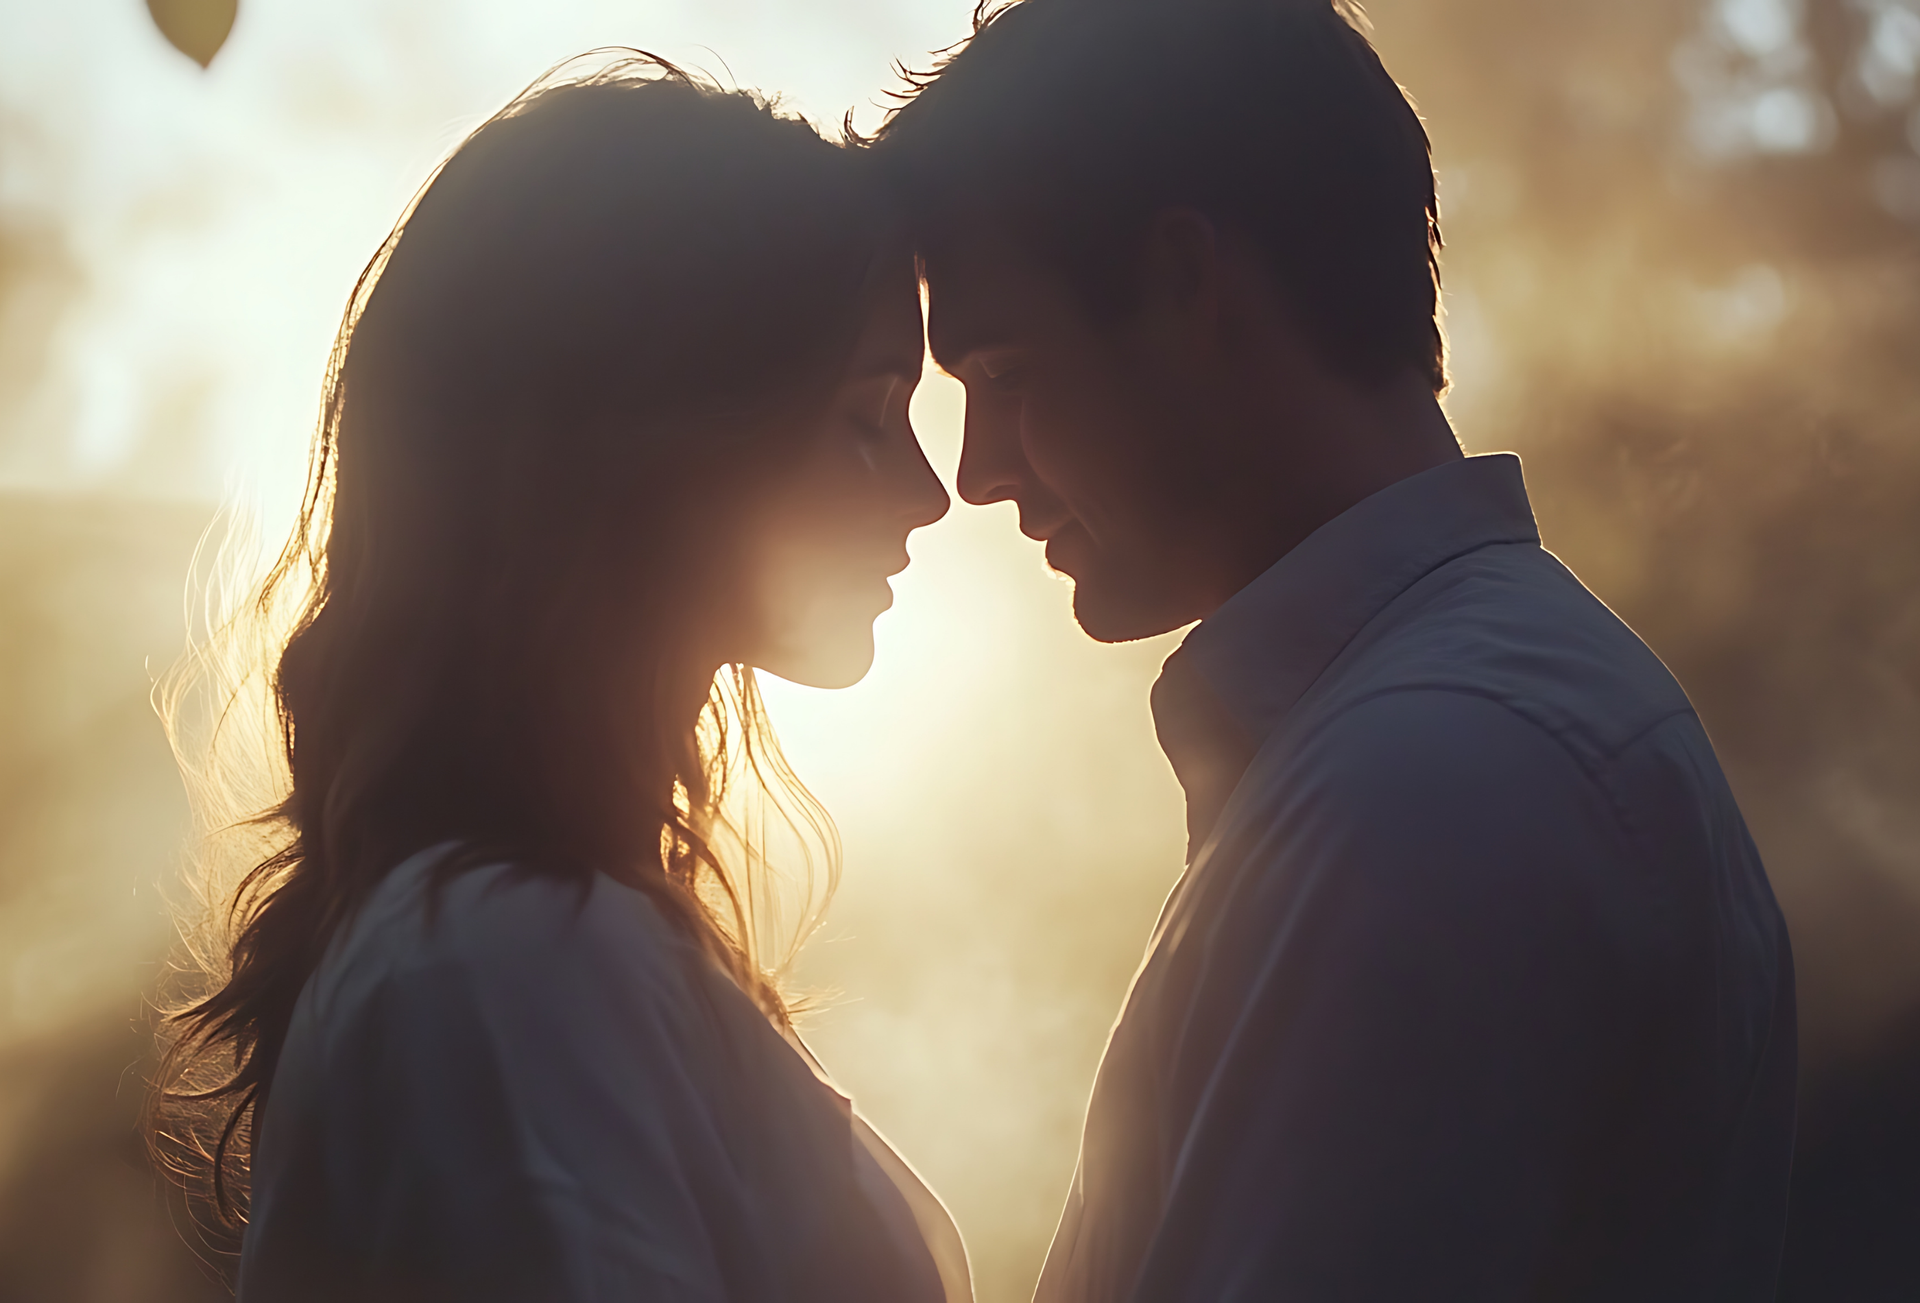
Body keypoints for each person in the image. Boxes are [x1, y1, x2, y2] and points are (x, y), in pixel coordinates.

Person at [871, 1, 1796, 1298]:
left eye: (1008, 370)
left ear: (1188, 283)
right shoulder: (1428, 745)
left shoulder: (1439, 788)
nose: (977, 471)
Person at [152, 57, 969, 1303]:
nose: (928, 492)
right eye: (867, 416)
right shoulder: (500, 960)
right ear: (657, 441)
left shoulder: (528, 940)